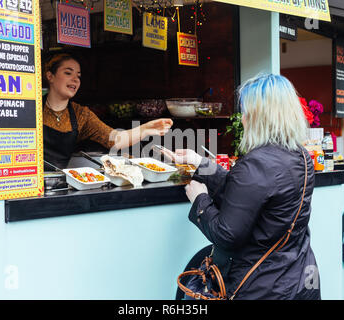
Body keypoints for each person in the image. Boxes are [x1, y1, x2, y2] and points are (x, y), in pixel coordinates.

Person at [162, 73, 320, 300]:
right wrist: (199, 162)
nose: (242, 118)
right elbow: (246, 192)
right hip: (297, 280)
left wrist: (200, 201)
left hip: (262, 287)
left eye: (245, 111)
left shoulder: (257, 163)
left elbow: (226, 234)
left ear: (257, 117)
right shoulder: (302, 157)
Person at [43, 53, 173, 169]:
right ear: (50, 76)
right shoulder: (33, 108)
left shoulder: (81, 114)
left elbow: (114, 138)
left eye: (78, 75)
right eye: (68, 73)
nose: (75, 79)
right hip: (28, 180)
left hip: (58, 181)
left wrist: (145, 129)